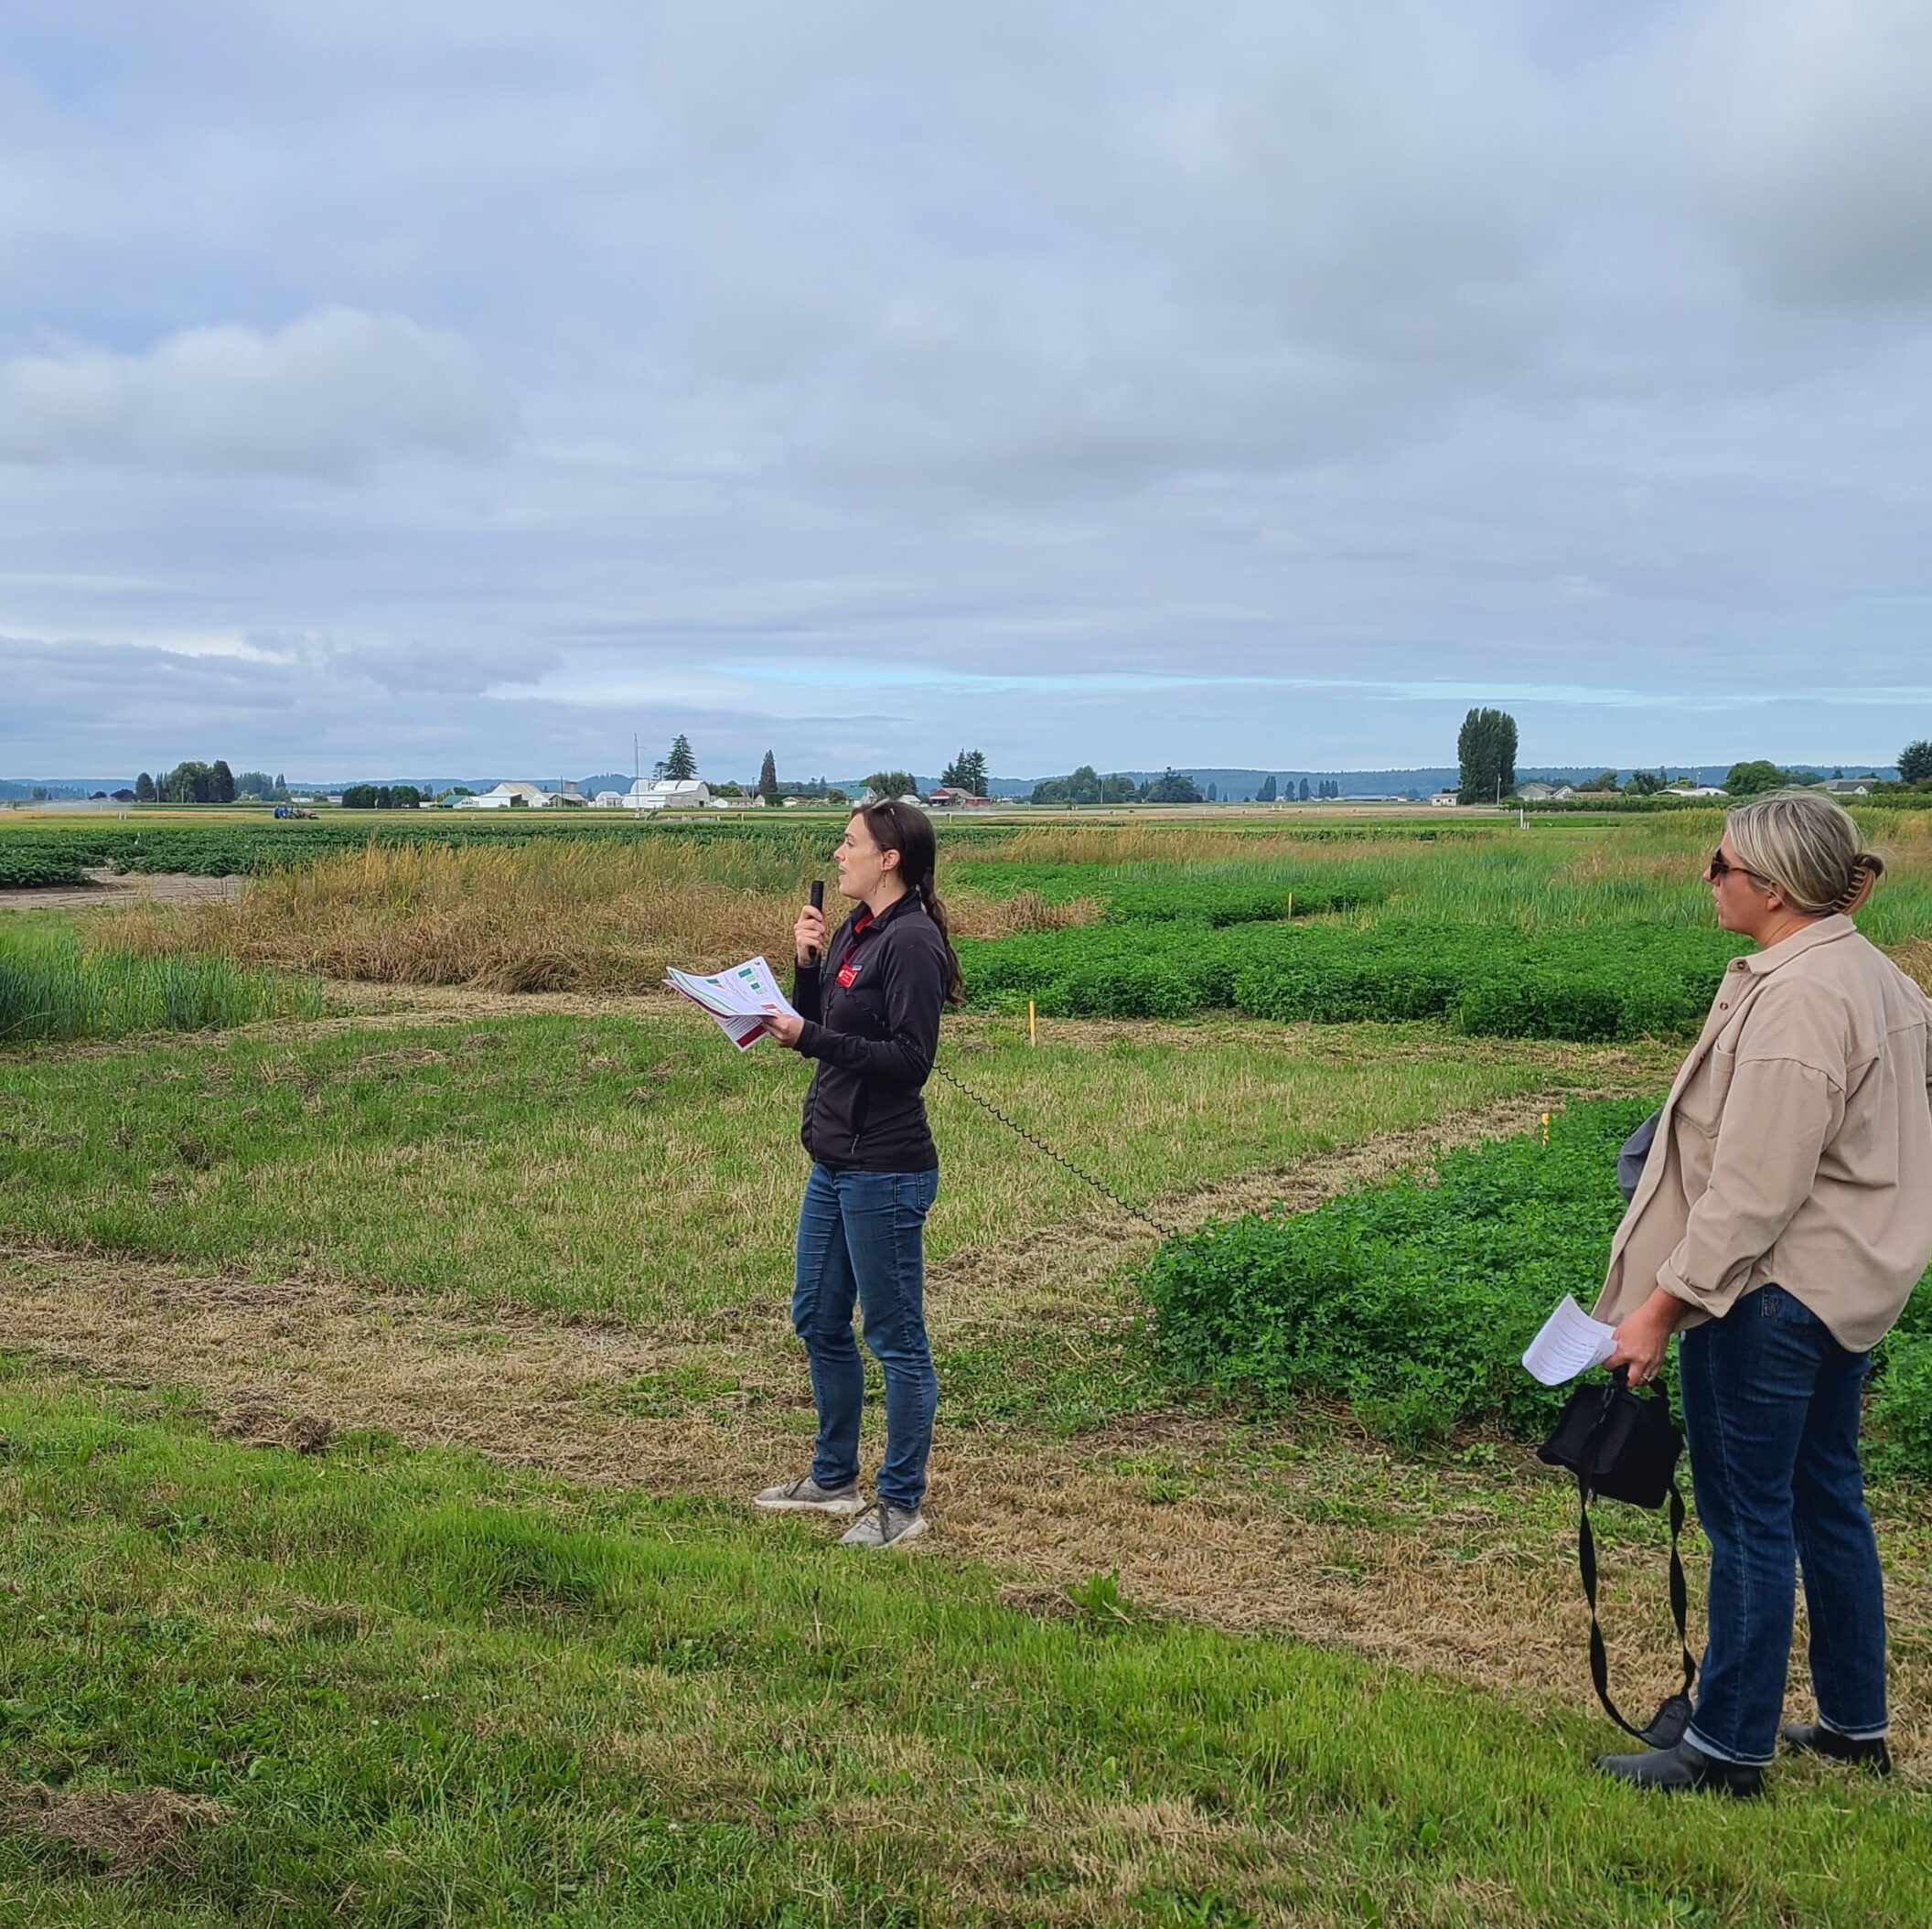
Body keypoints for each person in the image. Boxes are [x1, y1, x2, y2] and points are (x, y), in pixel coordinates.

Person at [1594, 791, 1932, 1796]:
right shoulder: (1874, 975)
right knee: (1828, 1501)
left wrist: (1663, 1303)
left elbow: (1753, 1190)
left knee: (1748, 1520)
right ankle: (1852, 1727)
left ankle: (1727, 1749)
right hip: (1848, 1284)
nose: (1709, 876)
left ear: (1772, 888)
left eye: (1720, 863)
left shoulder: (1795, 1001)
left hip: (1771, 1294)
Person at [751, 801, 963, 1549]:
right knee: (816, 1314)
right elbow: (825, 1028)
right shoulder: (856, 930)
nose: (838, 855)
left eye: (850, 843)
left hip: (886, 1168)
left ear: (890, 858)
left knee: (897, 1338)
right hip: (833, 1158)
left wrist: (810, 1032)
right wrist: (806, 973)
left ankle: (900, 1504)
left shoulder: (910, 942)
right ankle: (834, 1478)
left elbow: (911, 1061)